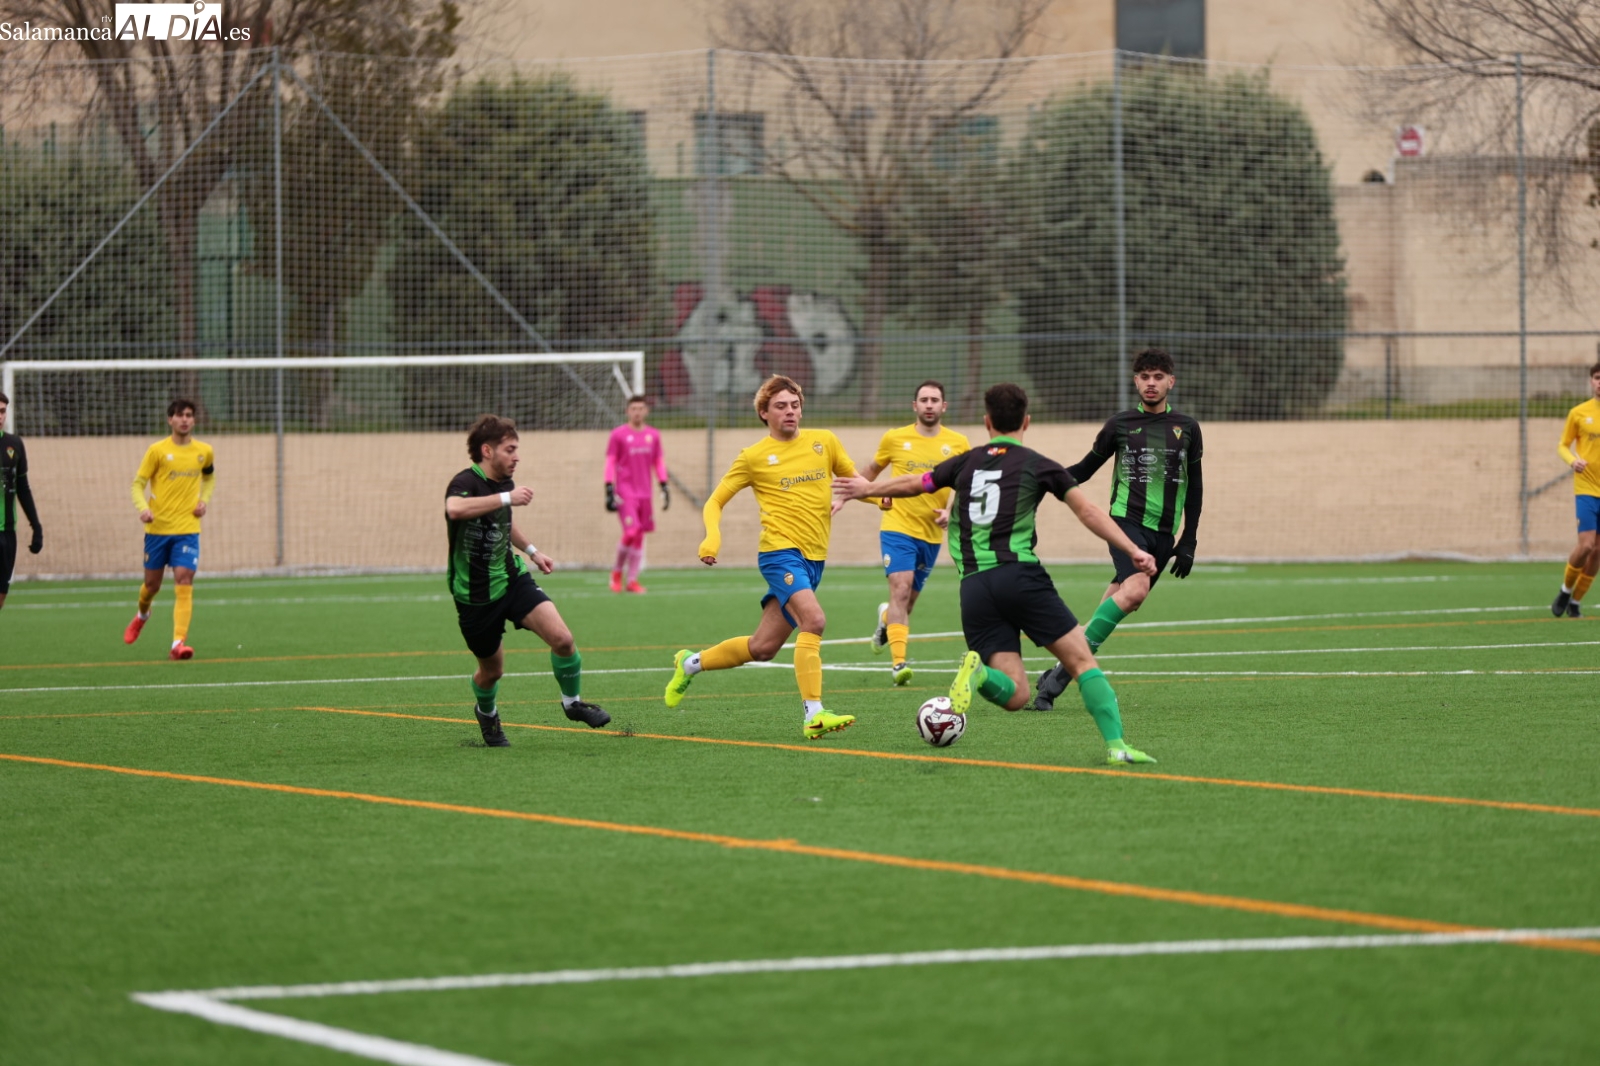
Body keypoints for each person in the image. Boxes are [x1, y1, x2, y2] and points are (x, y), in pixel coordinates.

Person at [834, 382, 1159, 765]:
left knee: (1017, 694)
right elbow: (1087, 511)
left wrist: (867, 489)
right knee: (1082, 662)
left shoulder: (964, 462)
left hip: (975, 588)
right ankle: (1117, 746)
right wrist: (1133, 549)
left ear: (987, 422)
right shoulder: (1039, 464)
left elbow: (916, 483)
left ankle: (980, 676)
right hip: (1020, 578)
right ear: (1027, 421)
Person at [663, 375, 858, 740]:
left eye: (795, 405)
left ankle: (690, 663)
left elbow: (856, 483)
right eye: (781, 406)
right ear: (764, 413)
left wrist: (883, 497)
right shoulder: (753, 457)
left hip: (814, 559)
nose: (790, 411)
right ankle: (814, 714)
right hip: (779, 554)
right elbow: (715, 501)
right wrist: (712, 538)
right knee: (814, 620)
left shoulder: (825, 442)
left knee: (763, 648)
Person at [1031, 348, 1203, 711]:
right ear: (1135, 381)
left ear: (1171, 382)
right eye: (1145, 377)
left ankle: (1054, 673)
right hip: (1125, 524)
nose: (1151, 383)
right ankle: (1056, 686)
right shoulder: (1120, 425)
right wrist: (1041, 481)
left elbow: (1195, 486)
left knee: (1113, 607)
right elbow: (1084, 469)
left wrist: (1188, 539)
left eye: (1158, 377)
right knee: (1136, 592)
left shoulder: (1187, 428)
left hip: (1164, 534)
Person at [447, 415, 609, 747]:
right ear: (487, 451)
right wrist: (507, 498)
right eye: (510, 450)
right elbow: (455, 509)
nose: (516, 457)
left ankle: (573, 704)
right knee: (492, 672)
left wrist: (533, 552)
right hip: (475, 595)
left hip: (512, 578)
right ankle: (487, 713)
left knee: (563, 639)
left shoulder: (504, 483)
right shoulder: (466, 482)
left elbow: (503, 523)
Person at [859, 380, 970, 685]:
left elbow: (966, 485)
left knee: (906, 603)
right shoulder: (895, 438)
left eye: (935, 400)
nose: (929, 404)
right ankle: (899, 665)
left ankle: (886, 618)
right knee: (900, 589)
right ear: (915, 405)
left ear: (944, 406)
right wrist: (874, 498)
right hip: (897, 527)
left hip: (931, 535)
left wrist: (951, 511)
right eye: (924, 399)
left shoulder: (958, 443)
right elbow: (866, 477)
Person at [124, 399, 214, 660]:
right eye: (179, 415)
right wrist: (143, 508)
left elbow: (209, 477)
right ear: (170, 420)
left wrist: (204, 500)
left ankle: (178, 643)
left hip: (187, 528)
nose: (184, 419)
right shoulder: (157, 451)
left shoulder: (204, 451)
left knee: (184, 579)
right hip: (158, 529)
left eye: (189, 415)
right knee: (151, 586)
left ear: (194, 420)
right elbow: (137, 484)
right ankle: (142, 615)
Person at [604, 395, 670, 594]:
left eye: (641, 408)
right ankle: (616, 573)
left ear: (646, 411)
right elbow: (610, 461)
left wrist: (664, 484)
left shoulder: (653, 435)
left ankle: (632, 580)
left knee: (640, 535)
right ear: (627, 411)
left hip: (645, 493)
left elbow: (658, 462)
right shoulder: (618, 435)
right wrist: (608, 487)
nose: (637, 412)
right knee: (631, 532)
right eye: (634, 409)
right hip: (625, 492)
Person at [1551, 361, 1600, 618]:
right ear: (1592, 381)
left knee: (1598, 552)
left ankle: (1576, 603)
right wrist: (1573, 461)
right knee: (1587, 546)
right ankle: (1565, 590)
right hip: (1587, 488)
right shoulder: (1579, 413)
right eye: (1598, 377)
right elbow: (1562, 445)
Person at [0, 391, 44, 610]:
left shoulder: (14, 444)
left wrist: (36, 526)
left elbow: (22, 489)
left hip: (7, 533)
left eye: (2, 411)